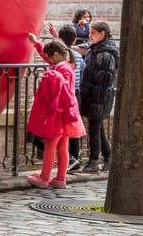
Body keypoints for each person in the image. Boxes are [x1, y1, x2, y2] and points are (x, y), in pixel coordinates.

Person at [24, 36, 85, 189]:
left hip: (58, 113)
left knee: (51, 145)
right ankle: (60, 178)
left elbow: (58, 88)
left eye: (50, 56)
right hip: (67, 113)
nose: (49, 60)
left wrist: (44, 81)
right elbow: (49, 60)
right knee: (63, 146)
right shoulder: (68, 65)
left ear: (56, 55)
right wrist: (37, 44)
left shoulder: (62, 69)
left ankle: (44, 178)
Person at [77, 21, 117, 173]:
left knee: (94, 128)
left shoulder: (105, 54)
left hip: (98, 96)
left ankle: (93, 161)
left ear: (102, 34)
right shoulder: (96, 49)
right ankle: (108, 157)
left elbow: (103, 79)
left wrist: (94, 95)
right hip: (93, 94)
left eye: (93, 33)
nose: (90, 35)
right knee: (97, 128)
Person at [48, 21, 86, 171]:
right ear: (75, 41)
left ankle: (69, 158)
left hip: (64, 95)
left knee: (62, 128)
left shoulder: (60, 59)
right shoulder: (75, 55)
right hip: (76, 93)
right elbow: (83, 68)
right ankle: (74, 157)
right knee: (73, 126)